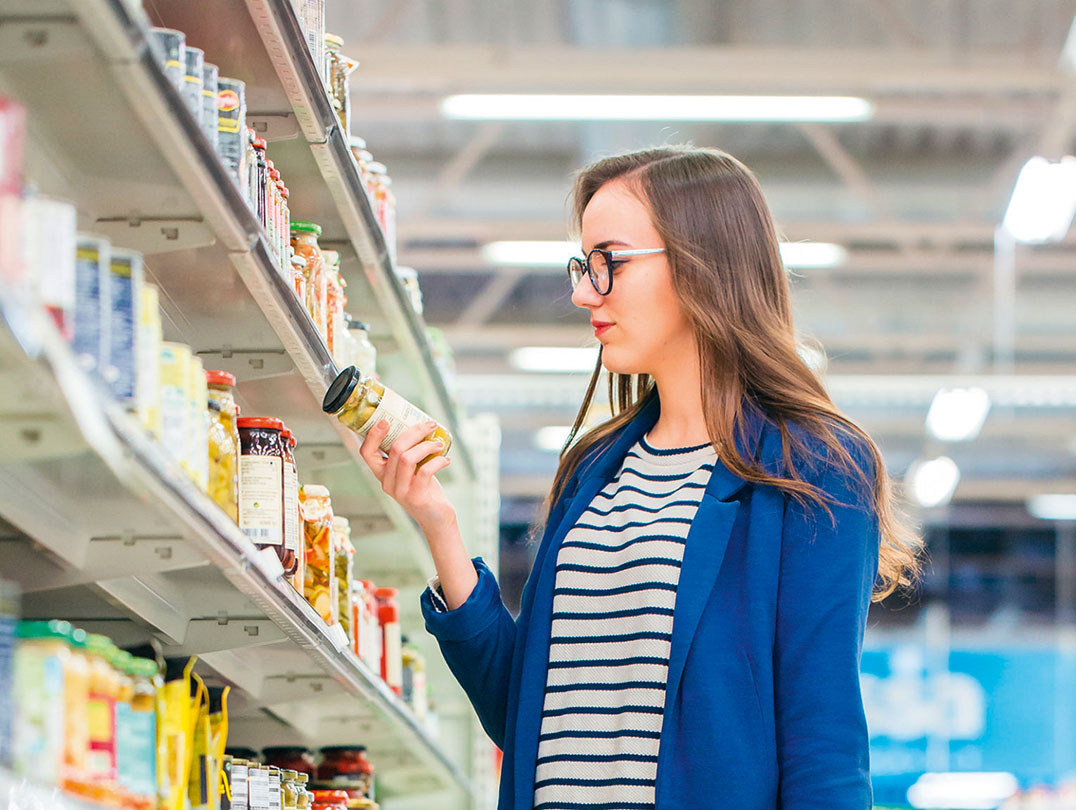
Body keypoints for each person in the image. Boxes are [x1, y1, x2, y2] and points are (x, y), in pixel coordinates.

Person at [358, 145, 923, 810]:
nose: (580, 292)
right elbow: (530, 720)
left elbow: (822, 748)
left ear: (700, 264)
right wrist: (439, 524)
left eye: (609, 264)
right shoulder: (592, 472)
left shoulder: (811, 469)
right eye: (582, 266)